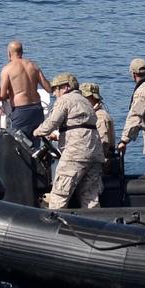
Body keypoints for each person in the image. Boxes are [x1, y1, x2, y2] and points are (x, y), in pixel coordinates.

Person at [36, 71, 103, 209]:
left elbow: (52, 122)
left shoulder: (65, 100)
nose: (54, 93)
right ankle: (95, 224)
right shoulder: (86, 101)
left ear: (66, 87)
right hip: (94, 152)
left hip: (75, 153)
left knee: (60, 194)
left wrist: (37, 132)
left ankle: (54, 225)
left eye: (55, 89)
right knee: (90, 196)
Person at [0, 41, 47, 136]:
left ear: (9, 53)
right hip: (37, 109)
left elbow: (3, 95)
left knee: (20, 143)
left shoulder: (7, 69)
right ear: (22, 52)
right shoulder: (33, 65)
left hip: (21, 110)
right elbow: (48, 87)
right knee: (35, 141)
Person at [79, 81, 118, 173]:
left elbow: (103, 144)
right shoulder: (92, 115)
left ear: (93, 98)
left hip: (101, 165)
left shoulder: (100, 117)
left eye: (84, 98)